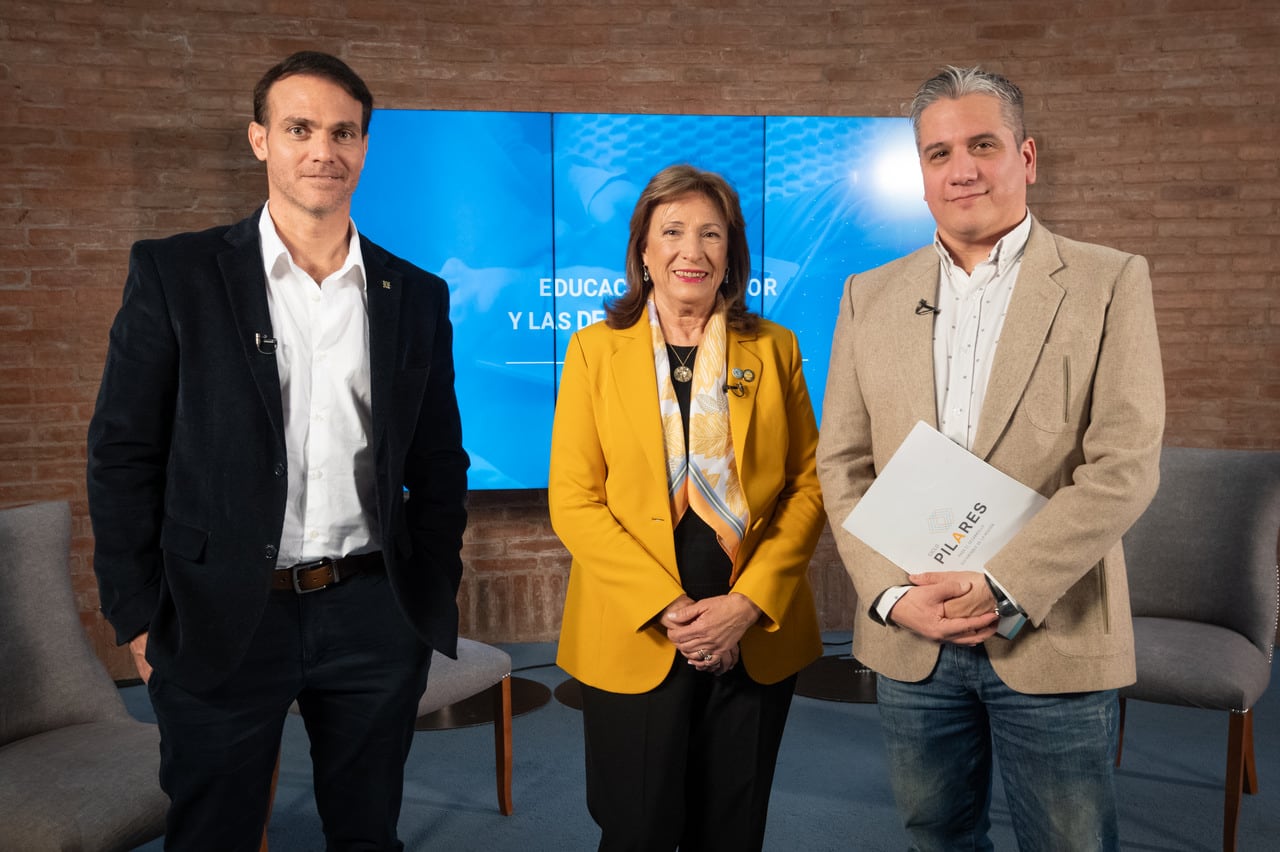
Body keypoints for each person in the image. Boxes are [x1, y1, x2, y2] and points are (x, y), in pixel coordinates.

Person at [86, 51, 469, 851]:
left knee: (367, 834)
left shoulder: (417, 294)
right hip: (221, 611)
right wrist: (136, 615)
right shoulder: (176, 273)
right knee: (214, 834)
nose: (322, 150)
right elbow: (123, 452)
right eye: (300, 128)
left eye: (342, 132)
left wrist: (423, 591)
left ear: (364, 147)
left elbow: (440, 463)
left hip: (371, 612)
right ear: (260, 140)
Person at [815, 66, 1165, 851]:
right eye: (939, 153)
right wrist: (889, 597)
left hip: (1053, 629)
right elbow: (840, 464)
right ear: (923, 175)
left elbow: (1125, 464)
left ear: (1027, 157)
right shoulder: (866, 295)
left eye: (983, 144)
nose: (962, 168)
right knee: (936, 835)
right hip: (913, 634)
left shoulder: (1109, 281)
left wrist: (1002, 585)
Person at [549, 164, 825, 852]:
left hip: (752, 629)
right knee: (636, 829)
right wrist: (668, 609)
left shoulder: (775, 348)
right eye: (672, 231)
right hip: (638, 624)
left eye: (711, 234)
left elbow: (810, 484)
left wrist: (747, 605)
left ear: (732, 252)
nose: (691, 251)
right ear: (643, 248)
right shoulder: (594, 351)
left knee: (731, 831)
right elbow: (575, 502)